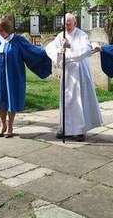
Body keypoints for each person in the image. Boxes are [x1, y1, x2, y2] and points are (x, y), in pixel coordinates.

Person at [0, 17, 52, 138]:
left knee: (11, 100)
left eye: (1, 30)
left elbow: (32, 51)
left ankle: (10, 126)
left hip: (13, 76)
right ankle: (3, 125)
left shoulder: (18, 41)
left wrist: (49, 51)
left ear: (7, 29)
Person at [45, 13, 102, 142]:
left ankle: (80, 130)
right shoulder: (61, 36)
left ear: (75, 23)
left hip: (79, 71)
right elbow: (50, 49)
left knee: (78, 100)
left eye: (69, 24)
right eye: (65, 24)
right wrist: (60, 49)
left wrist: (70, 46)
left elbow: (86, 49)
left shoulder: (81, 35)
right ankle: (66, 128)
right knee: (67, 100)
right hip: (67, 71)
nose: (67, 26)